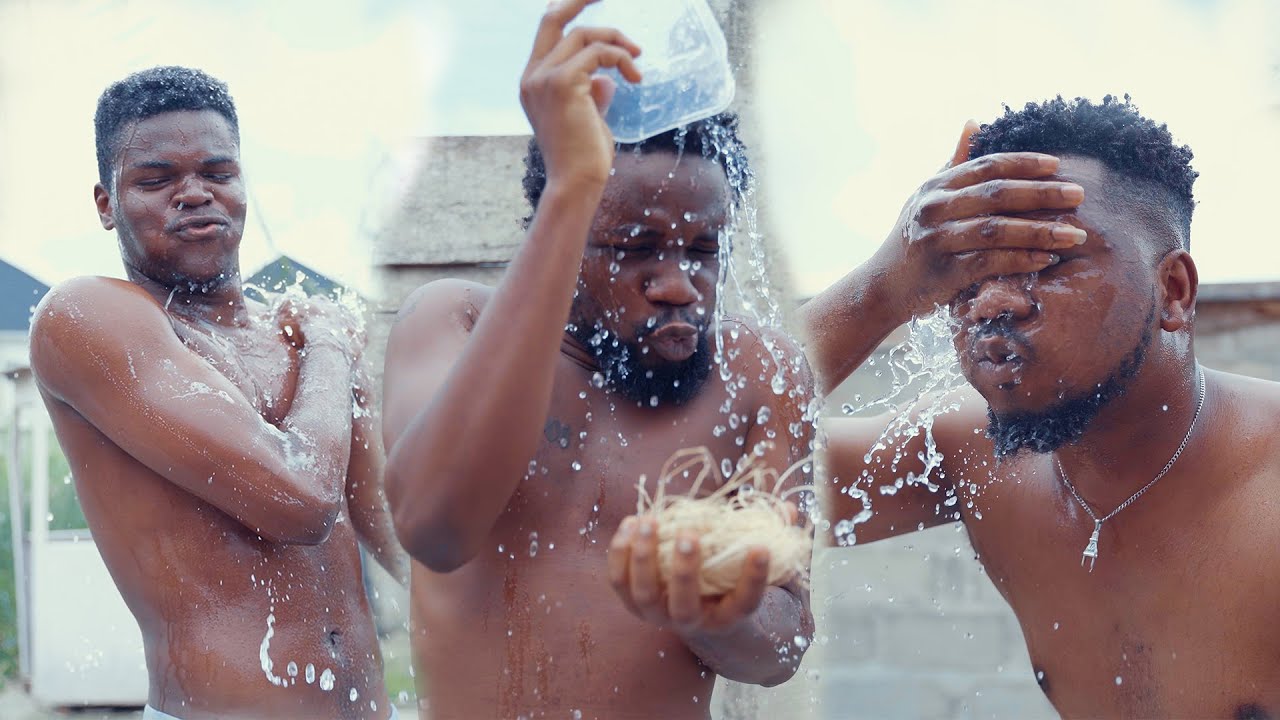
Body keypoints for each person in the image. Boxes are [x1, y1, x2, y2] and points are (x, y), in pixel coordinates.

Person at [380, 2, 815, 717]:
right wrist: (573, 184)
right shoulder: (454, 322)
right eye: (634, 250)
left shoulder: (756, 372)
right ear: (562, 222)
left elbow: (787, 643)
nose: (678, 285)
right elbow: (435, 526)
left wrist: (716, 613)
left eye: (703, 252)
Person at [807, 95, 1278, 718]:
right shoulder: (964, 454)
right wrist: (882, 290)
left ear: (1173, 291)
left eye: (1048, 261)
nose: (991, 302)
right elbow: (701, 473)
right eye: (963, 272)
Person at [28, 66, 406, 720]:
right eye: (156, 179)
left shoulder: (298, 334)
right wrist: (333, 345)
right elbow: (302, 499)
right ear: (105, 203)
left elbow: (397, 534)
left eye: (217, 172)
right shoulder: (87, 317)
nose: (194, 193)